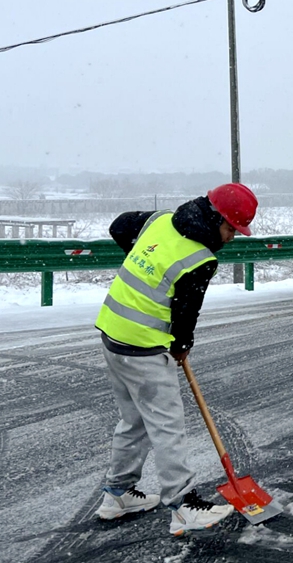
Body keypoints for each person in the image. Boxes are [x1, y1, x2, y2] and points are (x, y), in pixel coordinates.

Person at [94, 183, 258, 537]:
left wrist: (145, 263)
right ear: (214, 217)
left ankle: (118, 494)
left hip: (112, 332)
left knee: (133, 419)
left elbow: (120, 226)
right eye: (230, 228)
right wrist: (182, 345)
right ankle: (183, 506)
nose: (231, 238)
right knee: (168, 426)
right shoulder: (200, 259)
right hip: (143, 345)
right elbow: (186, 314)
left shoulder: (161, 220)